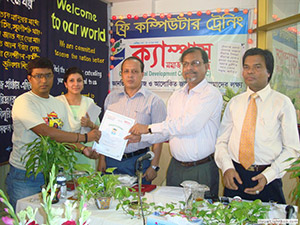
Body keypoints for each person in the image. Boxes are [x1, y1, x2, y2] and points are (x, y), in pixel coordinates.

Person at [6, 57, 101, 209]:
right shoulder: (24, 101)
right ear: (30, 78)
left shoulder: (58, 104)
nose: (43, 80)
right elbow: (45, 131)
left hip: (52, 173)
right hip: (26, 174)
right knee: (25, 218)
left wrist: (84, 149)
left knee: (50, 218)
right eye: (38, 76)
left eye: (48, 75)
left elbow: (63, 136)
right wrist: (84, 138)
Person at [128, 47, 223, 197]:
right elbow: (168, 130)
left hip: (202, 168)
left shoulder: (211, 94)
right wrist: (143, 138)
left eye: (195, 63)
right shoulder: (176, 96)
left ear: (206, 66)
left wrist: (148, 128)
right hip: (176, 167)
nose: (189, 68)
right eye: (185, 64)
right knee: (172, 212)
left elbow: (189, 125)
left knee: (201, 215)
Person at [214, 48, 300, 204]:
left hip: (267, 178)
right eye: (246, 67)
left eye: (257, 67)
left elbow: (292, 148)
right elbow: (221, 141)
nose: (250, 71)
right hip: (235, 176)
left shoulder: (282, 103)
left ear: (269, 72)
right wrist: (227, 167)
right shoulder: (235, 103)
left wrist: (269, 175)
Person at [98, 56, 167, 184]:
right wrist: (102, 159)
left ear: (142, 74)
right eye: (126, 71)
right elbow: (105, 130)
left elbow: (159, 137)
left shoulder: (154, 101)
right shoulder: (111, 98)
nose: (130, 75)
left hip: (139, 161)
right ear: (121, 74)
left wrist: (154, 166)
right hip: (111, 160)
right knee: (110, 199)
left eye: (134, 72)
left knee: (139, 200)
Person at [56, 67, 101, 170]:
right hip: (64, 154)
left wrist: (91, 125)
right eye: (71, 80)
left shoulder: (89, 102)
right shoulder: (56, 102)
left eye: (79, 80)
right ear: (65, 84)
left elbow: (99, 131)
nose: (76, 84)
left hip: (86, 155)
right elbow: (53, 133)